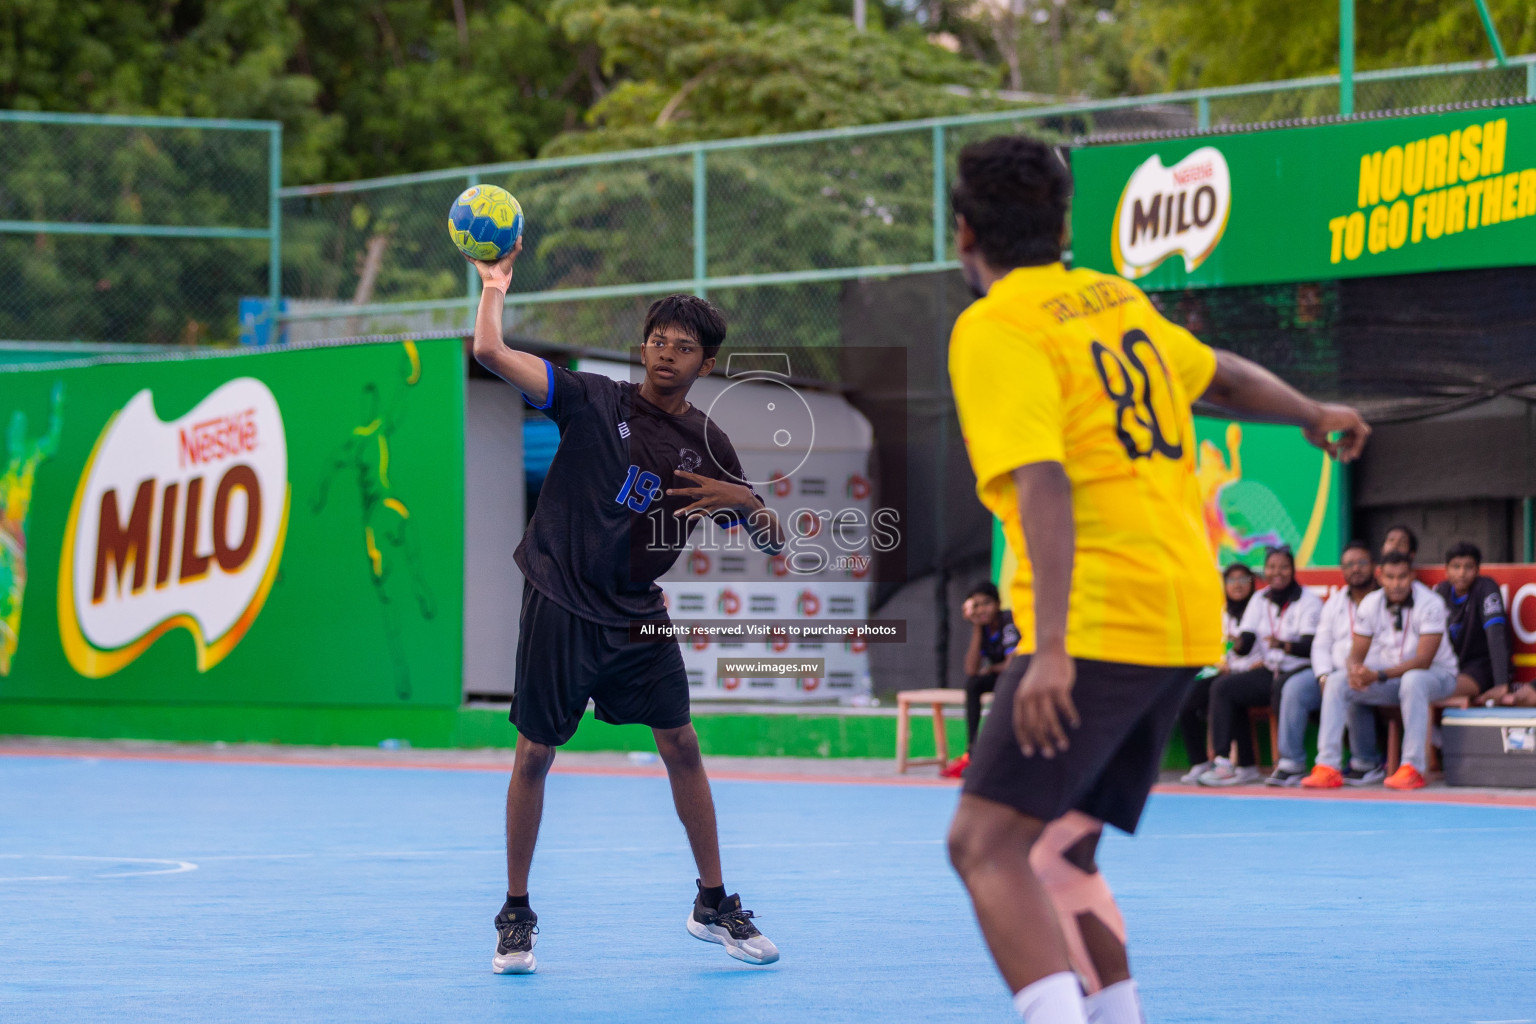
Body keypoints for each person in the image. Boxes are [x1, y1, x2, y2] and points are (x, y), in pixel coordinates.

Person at [943, 134, 1369, 1024]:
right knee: (1060, 853)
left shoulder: (996, 327)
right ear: (1066, 223)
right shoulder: (1113, 299)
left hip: (1100, 621)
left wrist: (1051, 648)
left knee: (983, 846)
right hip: (1182, 617)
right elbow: (1219, 375)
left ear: (962, 232)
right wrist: (1311, 413)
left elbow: (1043, 479)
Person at [468, 242, 784, 974]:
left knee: (682, 745)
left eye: (684, 347)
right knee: (536, 754)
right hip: (559, 600)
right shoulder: (591, 398)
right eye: (658, 342)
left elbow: (773, 542)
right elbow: (488, 349)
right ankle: (516, 913)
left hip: (637, 613)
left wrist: (748, 501)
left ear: (707, 363)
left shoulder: (709, 444)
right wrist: (493, 287)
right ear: (643, 348)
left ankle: (713, 903)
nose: (666, 354)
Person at [1302, 551, 1458, 791]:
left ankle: (1413, 768)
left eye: (1402, 577)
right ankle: (1328, 767)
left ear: (1412, 576)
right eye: (1390, 577)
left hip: (1437, 677)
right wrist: (1354, 670)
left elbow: (1423, 661)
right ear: (1380, 577)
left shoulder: (1431, 603)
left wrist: (1379, 675)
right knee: (1337, 681)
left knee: (1414, 680)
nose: (1396, 584)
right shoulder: (1371, 602)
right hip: (1391, 680)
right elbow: (1357, 653)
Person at [1196, 546, 1323, 786]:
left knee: (1287, 688)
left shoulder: (1309, 601)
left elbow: (1309, 647)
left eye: (1283, 567)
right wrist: (1237, 644)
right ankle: (1227, 763)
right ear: (1265, 570)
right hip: (1269, 671)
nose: (1277, 572)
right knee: (1224, 687)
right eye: (1272, 567)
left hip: (1301, 670)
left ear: (1293, 569)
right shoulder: (1259, 599)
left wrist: (1283, 645)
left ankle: (1291, 765)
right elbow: (1247, 640)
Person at [1266, 541, 1382, 786]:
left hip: (1371, 673)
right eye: (1349, 564)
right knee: (1295, 687)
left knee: (1346, 683)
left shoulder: (1385, 600)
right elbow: (1320, 645)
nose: (1356, 569)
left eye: (1362, 563)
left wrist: (1356, 672)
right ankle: (1291, 763)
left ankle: (1365, 762)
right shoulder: (1336, 602)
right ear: (1343, 570)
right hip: (1332, 673)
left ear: (1373, 566)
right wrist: (1322, 676)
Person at [1176, 563, 1260, 783]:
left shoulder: (1261, 606)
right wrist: (1217, 661)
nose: (1237, 585)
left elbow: (1255, 648)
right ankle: (1200, 762)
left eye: (1243, 579)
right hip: (1225, 671)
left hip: (1256, 671)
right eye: (1231, 580)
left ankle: (1227, 762)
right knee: (1186, 694)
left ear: (1252, 583)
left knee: (1225, 688)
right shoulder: (1220, 611)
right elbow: (1214, 649)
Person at [943, 581, 1022, 779]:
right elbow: (971, 669)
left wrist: (992, 668)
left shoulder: (1008, 621)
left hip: (1018, 676)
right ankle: (972, 750)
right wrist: (976, 627)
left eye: (986, 603)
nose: (981, 609)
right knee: (973, 684)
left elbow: (1011, 664)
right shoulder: (984, 628)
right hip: (1000, 676)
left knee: (1006, 686)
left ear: (997, 603)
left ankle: (1003, 754)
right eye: (976, 606)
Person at [1435, 542, 1512, 704]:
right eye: (1456, 567)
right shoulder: (1441, 591)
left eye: (1468, 567)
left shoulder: (1486, 587)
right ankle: (1458, 701)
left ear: (1477, 570)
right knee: (1414, 686)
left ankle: (1458, 700)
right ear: (1446, 569)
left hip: (1480, 668)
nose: (1462, 573)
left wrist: (1501, 684)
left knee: (1425, 689)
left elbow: (1495, 636)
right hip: (1451, 667)